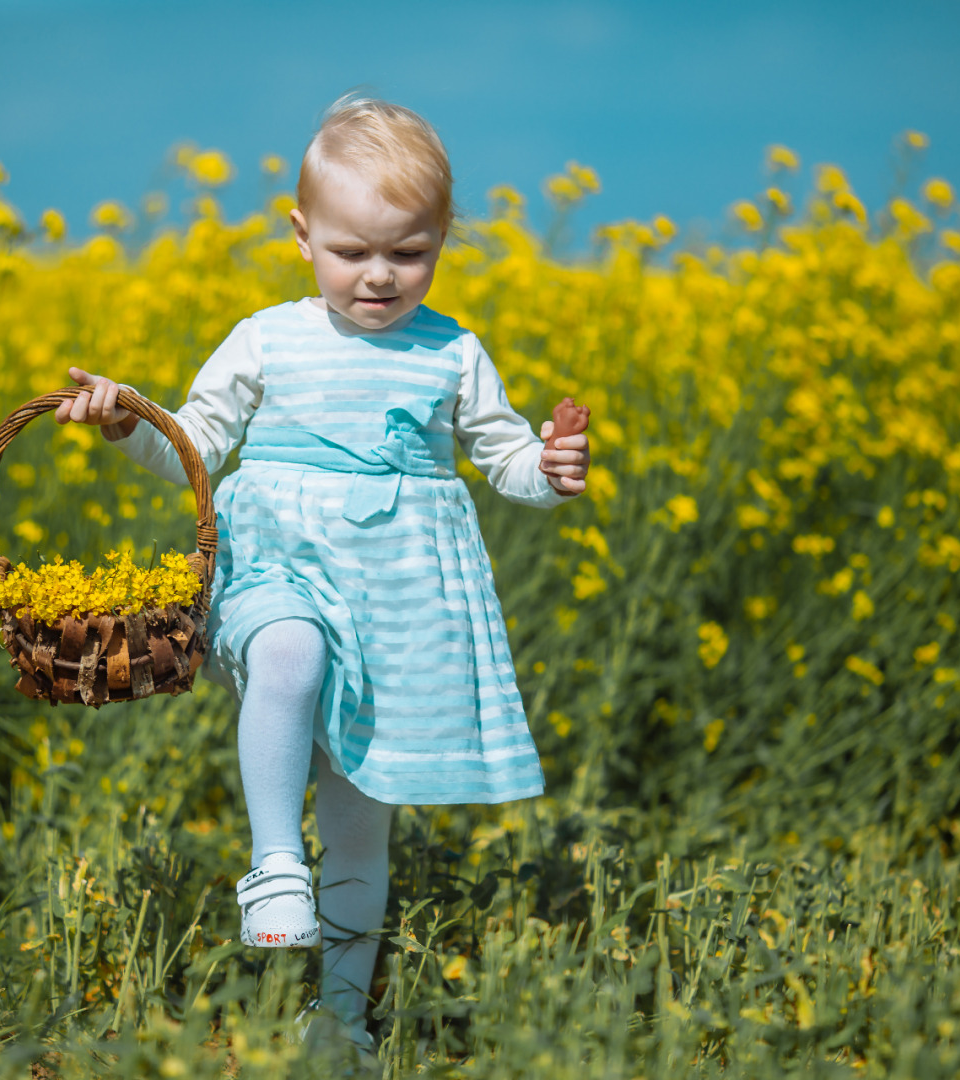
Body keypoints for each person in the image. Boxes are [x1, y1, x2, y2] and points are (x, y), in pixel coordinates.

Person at [55, 94, 591, 1055]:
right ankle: (272, 863)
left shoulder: (452, 352)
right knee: (290, 656)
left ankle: (341, 1020)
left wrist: (549, 473)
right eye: (352, 252)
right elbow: (198, 444)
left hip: (397, 605)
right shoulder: (267, 337)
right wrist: (127, 417)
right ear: (303, 237)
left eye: (409, 253)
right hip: (280, 568)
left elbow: (504, 459)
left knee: (359, 826)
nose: (380, 276)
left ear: (441, 242)